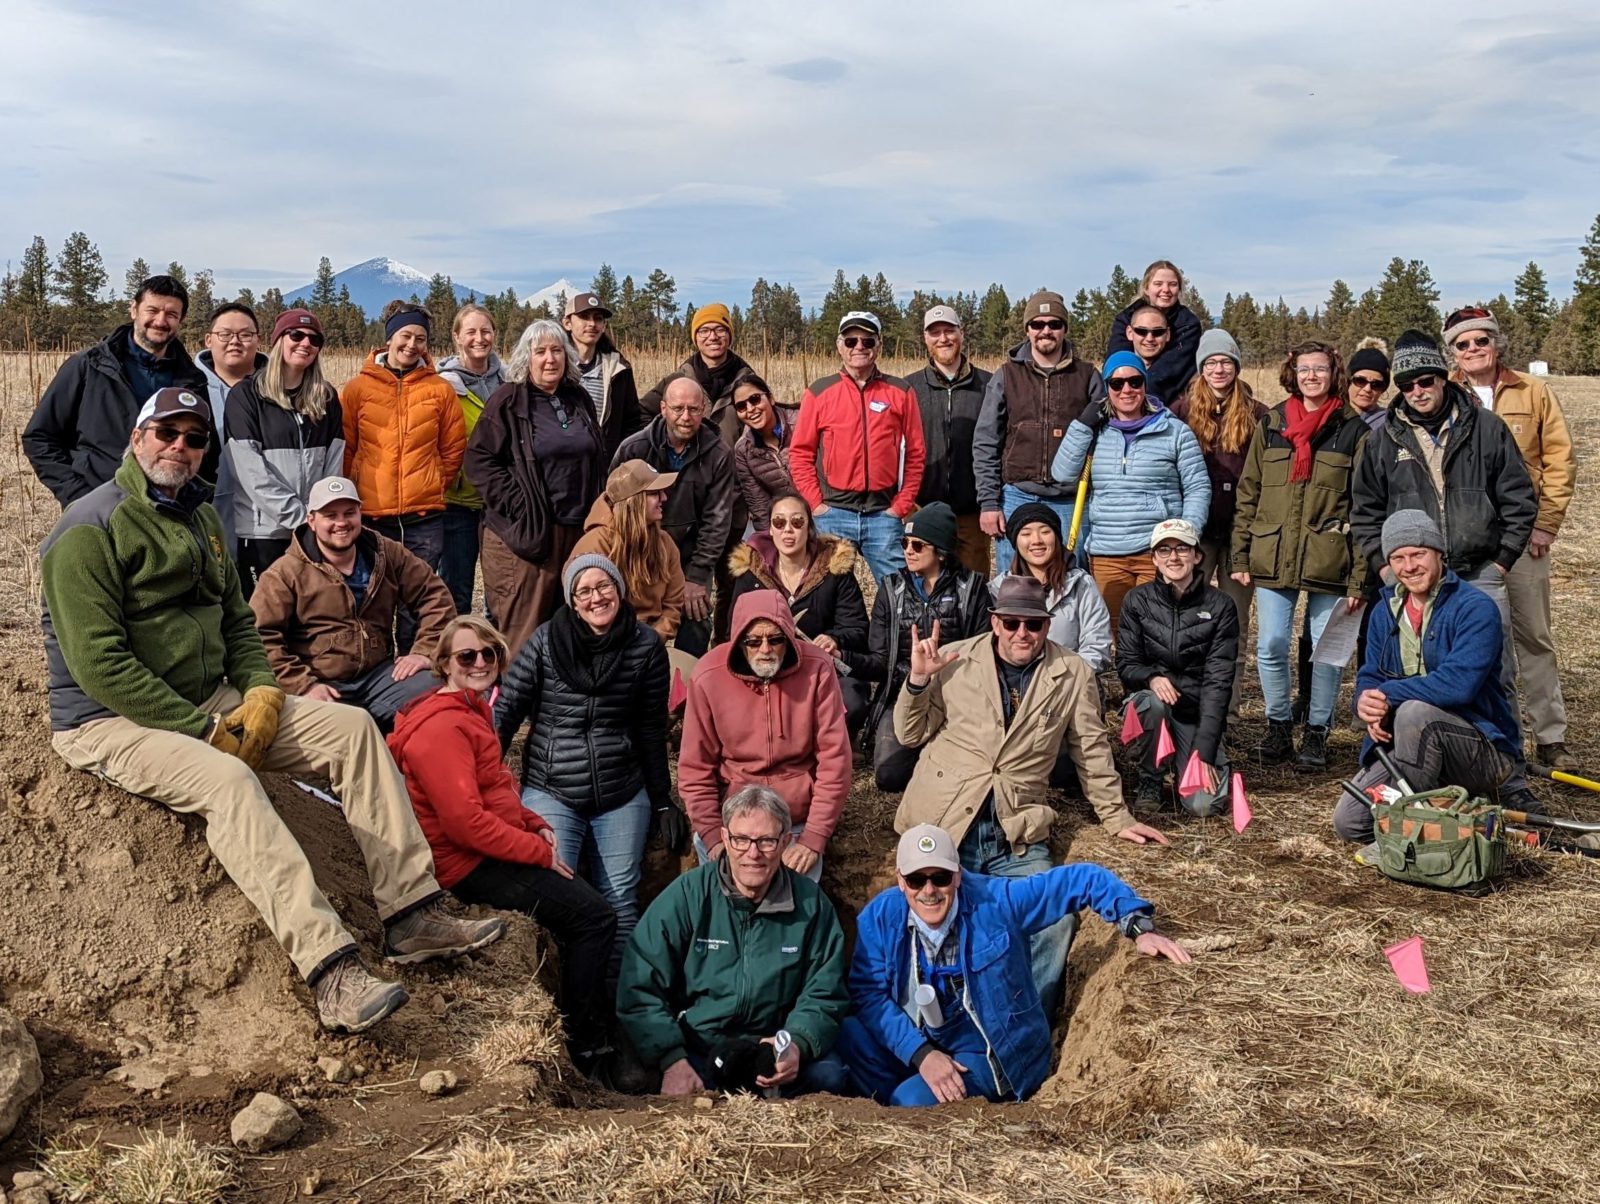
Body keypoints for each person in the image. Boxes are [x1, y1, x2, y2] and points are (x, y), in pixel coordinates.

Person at [40, 388, 502, 1034]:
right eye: (166, 433)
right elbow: (98, 665)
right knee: (229, 781)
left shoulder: (200, 519)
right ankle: (331, 970)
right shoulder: (88, 530)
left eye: (194, 438)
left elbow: (237, 623)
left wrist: (259, 692)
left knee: (353, 730)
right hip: (108, 718)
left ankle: (411, 913)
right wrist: (205, 729)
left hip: (211, 694)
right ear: (137, 437)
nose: (180, 447)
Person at [890, 575, 1168, 1017]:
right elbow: (909, 733)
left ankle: (1022, 1022)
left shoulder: (1073, 672)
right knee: (924, 920)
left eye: (1034, 625)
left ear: (1047, 625)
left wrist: (1117, 818)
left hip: (1014, 832)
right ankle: (923, 1022)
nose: (1023, 634)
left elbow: (1091, 749)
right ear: (995, 622)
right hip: (943, 822)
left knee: (1053, 922)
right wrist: (918, 682)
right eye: (1013, 622)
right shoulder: (954, 659)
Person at [387, 615, 616, 1073]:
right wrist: (537, 851)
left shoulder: (471, 709)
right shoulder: (442, 729)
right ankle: (584, 1040)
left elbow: (494, 789)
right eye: (466, 655)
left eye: (487, 653)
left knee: (583, 910)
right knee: (595, 918)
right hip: (468, 865)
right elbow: (464, 823)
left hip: (489, 848)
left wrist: (532, 821)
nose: (479, 662)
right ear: (445, 664)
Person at [837, 824, 1189, 1106]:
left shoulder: (998, 901)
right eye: (916, 880)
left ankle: (920, 1101)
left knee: (909, 1101)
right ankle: (914, 1094)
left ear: (958, 875)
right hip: (923, 1039)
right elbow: (868, 994)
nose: (929, 891)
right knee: (849, 1034)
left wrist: (1137, 926)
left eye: (940, 878)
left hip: (989, 1048)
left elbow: (1083, 879)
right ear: (901, 881)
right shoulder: (881, 917)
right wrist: (922, 1055)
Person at [1350, 329, 1536, 803]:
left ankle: (1506, 776)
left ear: (1443, 377)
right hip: (1410, 570)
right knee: (1404, 664)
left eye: (1426, 379)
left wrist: (1502, 560)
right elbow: (1366, 510)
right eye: (1407, 384)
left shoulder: (1485, 426)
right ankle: (1418, 776)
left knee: (1495, 675)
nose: (1418, 390)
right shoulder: (1382, 440)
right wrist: (1387, 567)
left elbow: (1518, 496)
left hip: (1478, 569)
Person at [494, 554, 685, 990]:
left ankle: (618, 1008)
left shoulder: (645, 647)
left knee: (620, 899)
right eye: (585, 590)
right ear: (573, 601)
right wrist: (484, 781)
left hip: (621, 789)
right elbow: (506, 711)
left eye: (604, 586)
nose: (597, 597)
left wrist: (661, 798)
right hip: (551, 786)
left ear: (619, 590)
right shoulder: (546, 641)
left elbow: (651, 728)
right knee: (563, 894)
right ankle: (572, 1009)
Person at [616, 786, 850, 1098]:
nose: (753, 854)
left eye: (766, 841)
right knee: (636, 1078)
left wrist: (797, 1043)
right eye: (741, 840)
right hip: (699, 1045)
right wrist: (672, 1059)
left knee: (830, 1077)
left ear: (785, 841)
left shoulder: (811, 905)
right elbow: (639, 982)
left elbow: (825, 992)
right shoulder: (688, 895)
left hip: (772, 1050)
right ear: (725, 839)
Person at [1332, 511, 1526, 846]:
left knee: (1413, 713)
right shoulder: (1383, 610)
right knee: (1350, 822)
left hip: (1481, 751)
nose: (1408, 567)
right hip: (1409, 746)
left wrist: (1390, 697)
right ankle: (1443, 817)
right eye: (1398, 558)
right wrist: (1366, 703)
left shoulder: (1475, 608)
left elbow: (1458, 685)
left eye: (1418, 554)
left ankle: (1411, 836)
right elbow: (1370, 676)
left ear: (1439, 553)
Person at [1445, 306, 1577, 770]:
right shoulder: (1443, 393)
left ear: (1496, 343)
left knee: (1534, 638)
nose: (1473, 350)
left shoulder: (1534, 391)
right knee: (1482, 642)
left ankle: (1552, 737)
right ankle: (1497, 736)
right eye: (1463, 344)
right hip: (1471, 541)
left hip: (1524, 537)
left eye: (1481, 340)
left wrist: (1546, 524)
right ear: (1453, 352)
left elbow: (1560, 461)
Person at [1230, 340, 1369, 770]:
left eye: (1320, 369)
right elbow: (1248, 491)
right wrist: (1240, 555)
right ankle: (1277, 725)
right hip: (1272, 554)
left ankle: (1317, 731)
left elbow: (1364, 506)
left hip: (1330, 557)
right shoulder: (1271, 423)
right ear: (1293, 374)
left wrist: (1359, 577)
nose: (1312, 376)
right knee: (1271, 644)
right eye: (1304, 369)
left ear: (1334, 374)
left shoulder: (1353, 430)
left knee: (1325, 652)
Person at [250, 476, 455, 731]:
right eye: (330, 515)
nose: (341, 523)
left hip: (380, 678)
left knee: (443, 695)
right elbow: (259, 637)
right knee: (349, 732)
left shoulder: (384, 553)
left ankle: (410, 754)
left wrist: (425, 651)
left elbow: (434, 595)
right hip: (322, 686)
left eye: (349, 512)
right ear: (311, 520)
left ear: (360, 514)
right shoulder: (284, 574)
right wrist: (303, 685)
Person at [678, 591, 852, 881]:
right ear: (738, 641)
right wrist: (712, 836)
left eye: (775, 639)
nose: (765, 649)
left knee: (795, 910)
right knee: (726, 909)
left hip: (794, 821)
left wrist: (814, 836)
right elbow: (695, 766)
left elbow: (835, 760)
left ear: (789, 636)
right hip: (734, 821)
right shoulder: (708, 675)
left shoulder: (818, 668)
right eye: (753, 641)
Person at [463, 318, 604, 653]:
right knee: (523, 633)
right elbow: (479, 461)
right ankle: (513, 702)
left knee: (570, 627)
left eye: (557, 350)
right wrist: (521, 503)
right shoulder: (509, 401)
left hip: (576, 530)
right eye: (540, 351)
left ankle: (558, 704)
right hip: (526, 537)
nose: (550, 359)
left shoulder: (578, 398)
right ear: (527, 357)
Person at [1050, 351, 1211, 630]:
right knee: (1117, 633)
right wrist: (1082, 424)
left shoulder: (1174, 431)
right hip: (1107, 551)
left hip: (1158, 550)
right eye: (1117, 383)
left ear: (1144, 385)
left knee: (1161, 629)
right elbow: (1062, 474)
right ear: (1107, 388)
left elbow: (1197, 486)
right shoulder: (1096, 431)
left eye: (1135, 382)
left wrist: (1186, 534)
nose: (1127, 390)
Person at [24, 274, 212, 506]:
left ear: (181, 320)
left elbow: (204, 446)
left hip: (168, 509)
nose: (161, 321)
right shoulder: (88, 366)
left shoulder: (191, 381)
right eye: (152, 311)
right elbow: (39, 437)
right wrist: (78, 496)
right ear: (134, 309)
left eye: (171, 314)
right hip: (99, 505)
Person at [341, 304, 466, 650]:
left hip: (423, 518)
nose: (412, 345)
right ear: (390, 338)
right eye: (406, 336)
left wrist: (434, 482)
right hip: (372, 517)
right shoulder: (357, 390)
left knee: (416, 600)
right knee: (372, 598)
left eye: (421, 339)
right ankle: (376, 668)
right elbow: (347, 449)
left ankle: (413, 674)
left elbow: (453, 448)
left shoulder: (439, 390)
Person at [865, 502, 993, 792]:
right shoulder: (889, 589)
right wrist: (842, 656)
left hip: (956, 696)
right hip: (904, 693)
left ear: (941, 551)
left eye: (918, 545)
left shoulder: (973, 589)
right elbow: (878, 658)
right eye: (905, 542)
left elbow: (984, 653)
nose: (908, 550)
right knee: (889, 776)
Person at [973, 290, 1103, 575]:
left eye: (1054, 324)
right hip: (1017, 495)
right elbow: (986, 442)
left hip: (1071, 500)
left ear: (1065, 329)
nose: (1046, 331)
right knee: (1015, 582)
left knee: (1071, 578)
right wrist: (989, 503)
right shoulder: (1006, 376)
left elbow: (1103, 437)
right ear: (1027, 330)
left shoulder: (1088, 376)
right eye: (1038, 324)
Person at [1168, 328, 1263, 713]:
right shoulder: (1181, 411)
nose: (1219, 369)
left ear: (1237, 367)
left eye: (1226, 361)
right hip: (1197, 532)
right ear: (1201, 368)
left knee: (1234, 621)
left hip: (1242, 533)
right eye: (1211, 362)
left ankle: (1230, 702)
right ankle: (1186, 696)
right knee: (1186, 615)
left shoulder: (1258, 415)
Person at [790, 311, 926, 581]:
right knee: (829, 594)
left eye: (867, 341)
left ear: (879, 346)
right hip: (833, 513)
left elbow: (915, 454)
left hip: (883, 515)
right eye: (851, 341)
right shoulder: (819, 392)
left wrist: (901, 506)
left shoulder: (900, 392)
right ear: (839, 346)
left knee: (900, 590)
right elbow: (800, 453)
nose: (859, 348)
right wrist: (817, 505)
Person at [1118, 520, 1239, 815]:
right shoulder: (1136, 600)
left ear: (1197, 556)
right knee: (1151, 703)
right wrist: (1151, 677)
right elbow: (1126, 663)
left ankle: (1201, 757)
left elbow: (1218, 683)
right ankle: (1151, 776)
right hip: (1153, 704)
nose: (1173, 557)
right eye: (1164, 550)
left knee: (1203, 805)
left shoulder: (1221, 606)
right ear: (1154, 559)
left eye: (1182, 548)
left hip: (1195, 710)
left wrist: (1205, 752)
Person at [727, 492, 872, 737]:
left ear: (809, 527)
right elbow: (736, 629)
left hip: (823, 668)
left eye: (797, 523)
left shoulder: (835, 571)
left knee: (853, 698)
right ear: (770, 530)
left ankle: (826, 744)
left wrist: (833, 639)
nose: (788, 531)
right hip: (768, 664)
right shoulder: (751, 573)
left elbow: (857, 628)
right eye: (779, 523)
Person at [610, 376, 735, 656]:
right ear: (663, 409)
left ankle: (686, 686)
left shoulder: (718, 454)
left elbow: (717, 520)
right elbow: (612, 507)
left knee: (697, 616)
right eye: (678, 409)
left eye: (693, 409)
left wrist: (696, 577)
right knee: (628, 616)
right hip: (639, 549)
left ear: (703, 410)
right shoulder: (634, 449)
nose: (686, 417)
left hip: (691, 555)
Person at [224, 309, 344, 597]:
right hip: (263, 533)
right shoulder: (246, 396)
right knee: (264, 621)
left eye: (315, 339)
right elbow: (250, 472)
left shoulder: (326, 398)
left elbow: (333, 466)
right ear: (278, 340)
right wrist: (301, 517)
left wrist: (320, 515)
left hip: (312, 534)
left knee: (310, 616)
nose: (305, 343)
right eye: (296, 335)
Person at [906, 304, 993, 573]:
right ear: (925, 338)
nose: (943, 338)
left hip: (972, 513)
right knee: (926, 588)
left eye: (949, 331)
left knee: (974, 588)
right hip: (922, 510)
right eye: (935, 333)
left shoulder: (989, 385)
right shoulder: (908, 388)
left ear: (961, 334)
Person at [435, 304, 506, 616]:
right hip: (457, 502)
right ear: (456, 337)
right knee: (455, 591)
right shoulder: (442, 385)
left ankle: (498, 658)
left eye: (486, 331)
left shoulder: (509, 383)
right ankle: (456, 657)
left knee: (500, 592)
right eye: (471, 332)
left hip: (499, 501)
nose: (480, 338)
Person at [568, 460, 687, 642]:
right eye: (654, 493)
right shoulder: (594, 545)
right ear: (634, 501)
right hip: (607, 638)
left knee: (697, 624)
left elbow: (674, 603)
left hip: (652, 639)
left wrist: (654, 638)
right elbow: (585, 607)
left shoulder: (665, 542)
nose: (664, 498)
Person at [995, 502, 1112, 673]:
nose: (1036, 541)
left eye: (1045, 532)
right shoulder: (998, 588)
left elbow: (1097, 646)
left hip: (1068, 682)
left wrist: (1064, 677)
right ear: (1015, 542)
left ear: (1057, 537)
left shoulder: (1081, 584)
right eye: (1026, 533)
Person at [197, 301, 266, 554]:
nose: (235, 341)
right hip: (202, 517)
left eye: (245, 335)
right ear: (208, 340)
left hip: (267, 523)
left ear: (258, 340)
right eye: (225, 334)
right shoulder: (187, 389)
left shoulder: (279, 392)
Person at [638, 301, 752, 442]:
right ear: (695, 337)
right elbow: (640, 413)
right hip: (687, 463)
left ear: (729, 335)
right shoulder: (678, 380)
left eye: (720, 329)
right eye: (704, 331)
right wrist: (664, 445)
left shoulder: (748, 381)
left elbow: (766, 425)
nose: (713, 337)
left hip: (732, 463)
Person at [1107, 260, 1202, 403]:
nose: (1166, 290)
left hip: (1167, 396)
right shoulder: (1126, 318)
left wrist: (1143, 402)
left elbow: (1170, 369)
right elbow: (1118, 361)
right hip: (1125, 393)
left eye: (1173, 284)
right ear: (1146, 288)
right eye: (1158, 284)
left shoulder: (1188, 324)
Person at [562, 290, 641, 463]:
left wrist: (623, 460)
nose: (592, 324)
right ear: (567, 323)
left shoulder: (618, 369)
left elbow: (632, 421)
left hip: (604, 465)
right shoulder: (554, 367)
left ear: (604, 326)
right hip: (563, 466)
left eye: (598, 318)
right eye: (584, 317)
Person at [730, 368, 800, 532]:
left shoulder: (801, 422)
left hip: (824, 512)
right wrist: (768, 541)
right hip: (789, 522)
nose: (750, 409)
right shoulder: (743, 450)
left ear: (771, 398)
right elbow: (759, 504)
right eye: (741, 406)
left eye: (754, 399)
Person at [1346, 338, 1392, 432]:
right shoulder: (1330, 417)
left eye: (1376, 385)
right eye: (1360, 381)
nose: (1367, 389)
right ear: (1348, 381)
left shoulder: (1389, 424)